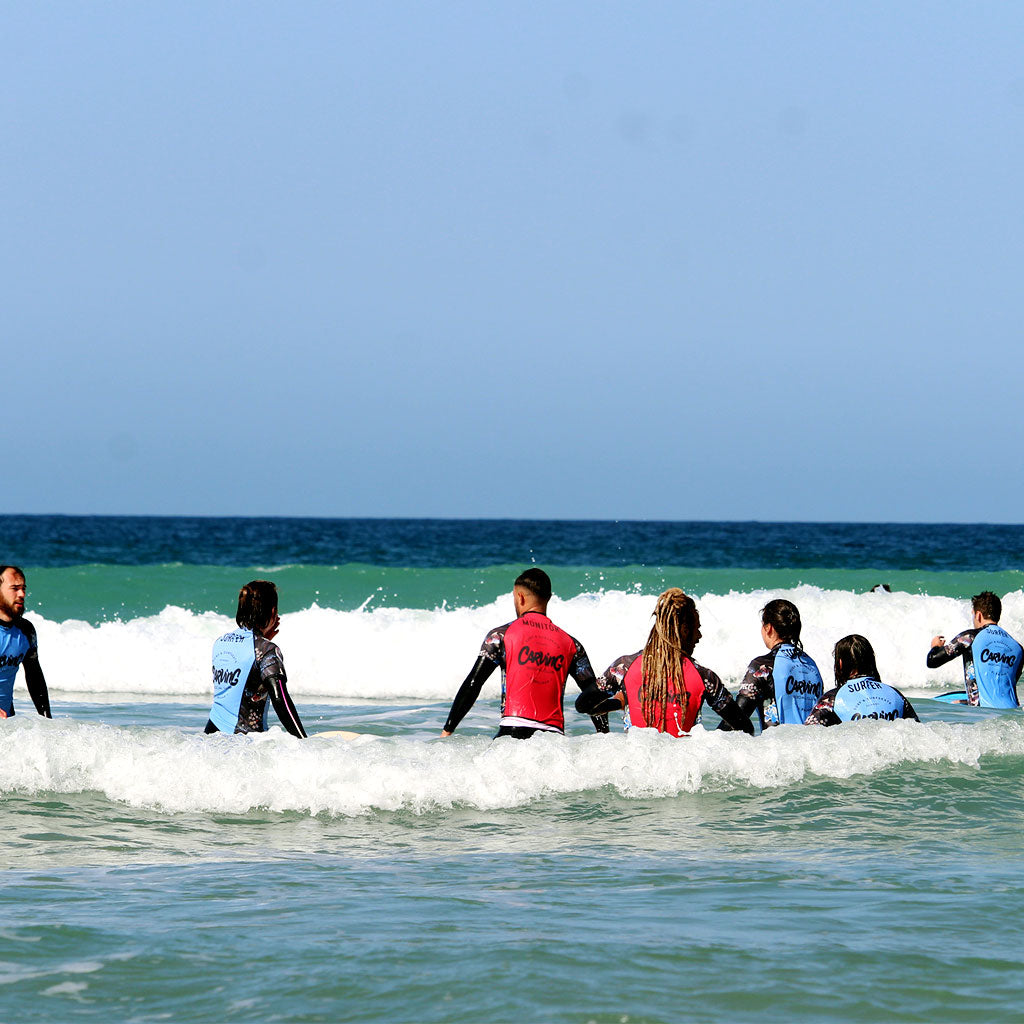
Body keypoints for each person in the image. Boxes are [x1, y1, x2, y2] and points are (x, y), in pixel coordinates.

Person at [441, 568, 607, 739]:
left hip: (512, 733)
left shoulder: (501, 636)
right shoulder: (572, 644)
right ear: (548, 598)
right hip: (553, 740)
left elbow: (474, 683)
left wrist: (448, 729)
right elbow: (594, 695)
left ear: (519, 597)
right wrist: (604, 737)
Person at [575, 588, 753, 735]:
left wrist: (618, 702)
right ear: (683, 630)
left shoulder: (624, 667)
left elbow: (583, 705)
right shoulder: (704, 677)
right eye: (696, 629)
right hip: (682, 773)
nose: (699, 636)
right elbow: (745, 728)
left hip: (634, 768)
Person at [205, 580, 307, 737]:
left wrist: (262, 639)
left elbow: (239, 686)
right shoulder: (266, 650)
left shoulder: (220, 642)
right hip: (244, 746)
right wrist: (303, 741)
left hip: (211, 736)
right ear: (273, 612)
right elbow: (281, 701)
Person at [730, 598, 824, 729]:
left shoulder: (763, 665)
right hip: (812, 747)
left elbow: (736, 718)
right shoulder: (811, 664)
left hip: (778, 747)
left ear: (768, 628)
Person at [926, 591, 1023, 708]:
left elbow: (933, 660)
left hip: (982, 714)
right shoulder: (1017, 647)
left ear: (978, 615)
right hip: (1013, 711)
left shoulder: (970, 638)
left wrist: (935, 646)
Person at [806, 634, 919, 726]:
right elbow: (917, 732)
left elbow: (809, 735)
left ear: (840, 664)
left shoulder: (831, 699)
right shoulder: (895, 694)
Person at [0, 565, 52, 720]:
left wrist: (47, 719)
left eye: (23, 588)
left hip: (6, 721)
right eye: (15, 588)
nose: (22, 594)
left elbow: (34, 676)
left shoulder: (25, 630)